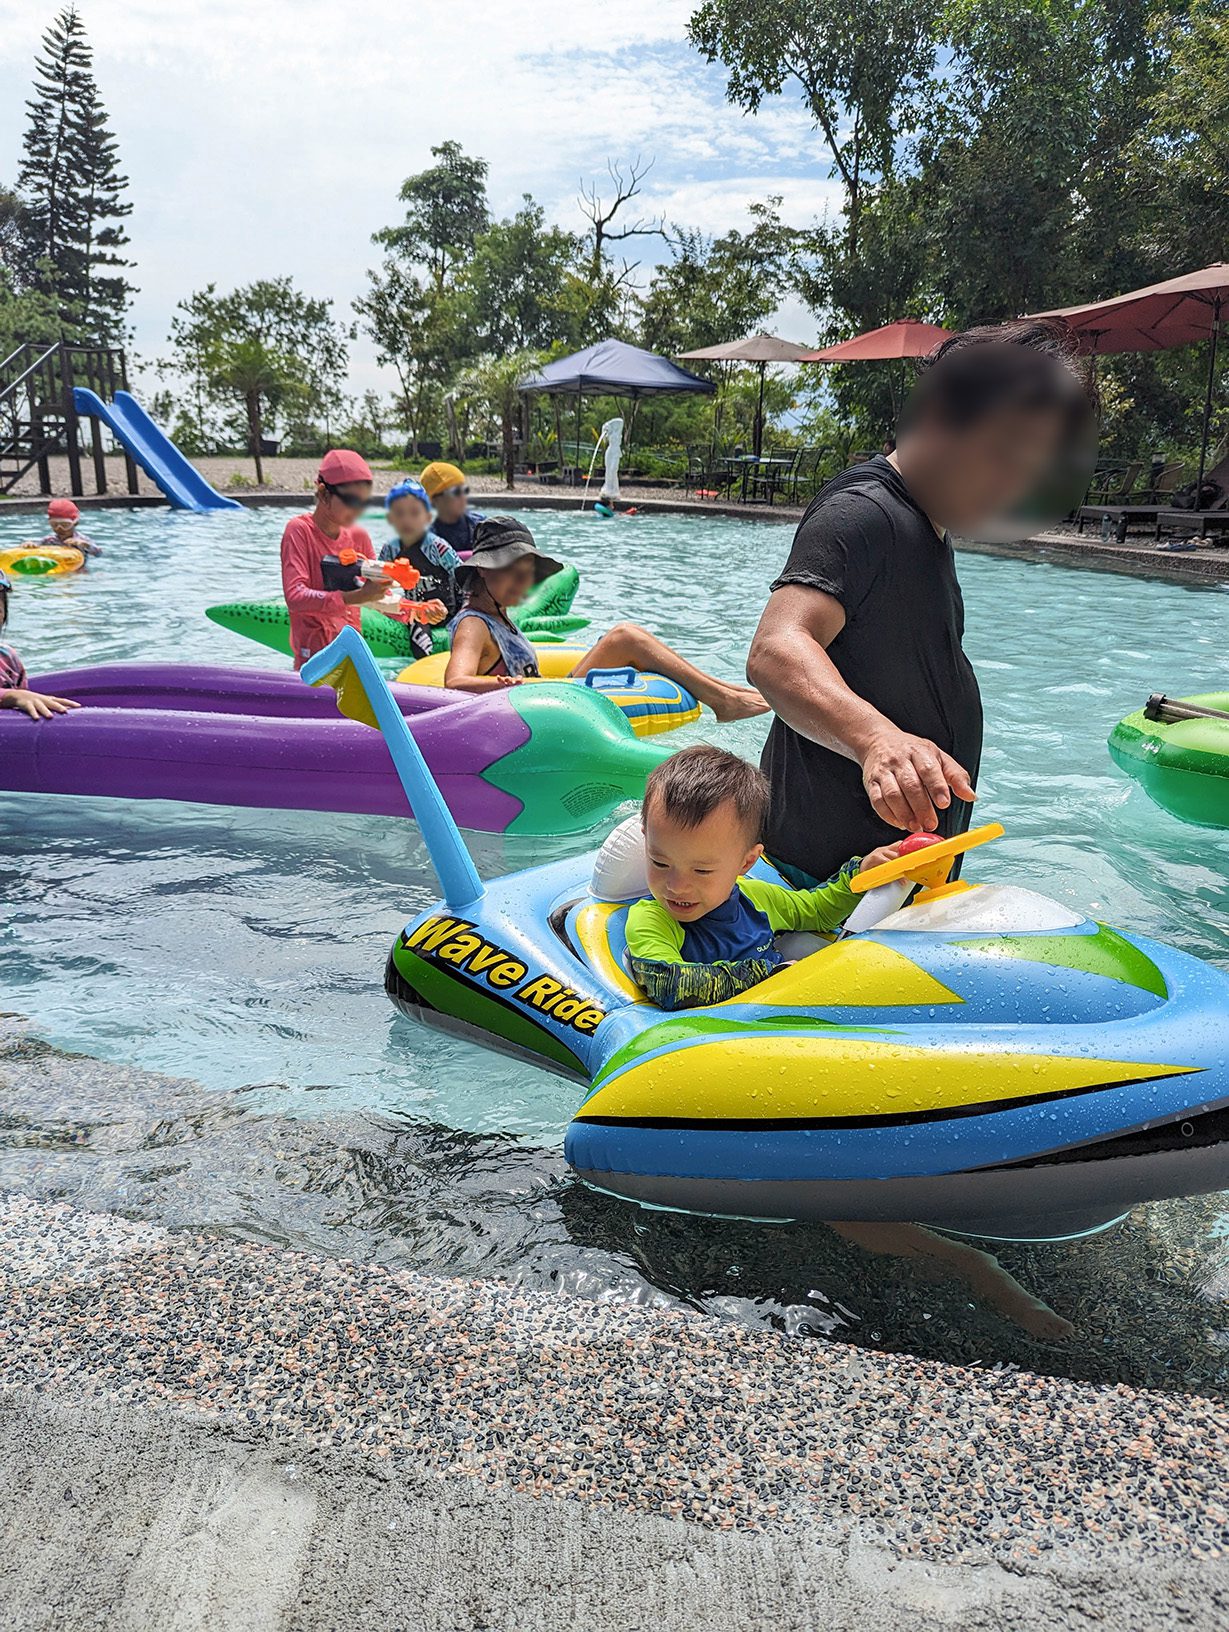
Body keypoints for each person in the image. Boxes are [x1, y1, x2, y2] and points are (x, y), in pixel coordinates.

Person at [748, 319, 1097, 886]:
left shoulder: (924, 523)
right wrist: (876, 739)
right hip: (820, 887)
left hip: (886, 880)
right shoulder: (863, 515)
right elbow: (777, 650)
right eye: (1004, 456)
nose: (1014, 487)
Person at [625, 745, 900, 1011]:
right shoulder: (652, 920)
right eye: (659, 863)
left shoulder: (757, 900)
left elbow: (817, 911)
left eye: (701, 871)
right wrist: (771, 974)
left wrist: (860, 874)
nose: (676, 886)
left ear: (746, 862)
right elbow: (670, 983)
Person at [443, 516, 768, 723]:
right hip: (537, 708)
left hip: (545, 699)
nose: (522, 585)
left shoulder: (497, 614)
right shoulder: (474, 624)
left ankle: (723, 689)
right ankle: (721, 699)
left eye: (526, 576)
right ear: (483, 570)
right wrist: (508, 684)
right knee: (624, 637)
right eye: (511, 574)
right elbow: (455, 682)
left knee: (625, 638)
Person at [279, 450, 391, 671]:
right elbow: (295, 596)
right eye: (350, 500)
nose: (357, 509)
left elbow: (379, 595)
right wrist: (353, 597)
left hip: (353, 655)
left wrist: (416, 610)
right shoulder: (299, 531)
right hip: (313, 659)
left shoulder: (358, 536)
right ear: (324, 493)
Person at [379, 478, 456, 659]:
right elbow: (377, 585)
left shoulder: (437, 547)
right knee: (415, 616)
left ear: (427, 517)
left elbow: (465, 577)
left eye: (414, 513)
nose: (407, 520)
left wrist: (465, 611)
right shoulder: (390, 549)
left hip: (443, 612)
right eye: (400, 513)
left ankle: (421, 669)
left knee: (417, 621)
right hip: (412, 609)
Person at [0, 569, 81, 719]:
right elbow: (17, 696)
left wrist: (20, 696)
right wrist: (10, 696)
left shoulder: (8, 657)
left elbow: (24, 704)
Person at [420, 461, 485, 553]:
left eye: (465, 490)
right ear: (434, 500)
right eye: (456, 492)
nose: (463, 496)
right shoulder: (425, 535)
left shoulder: (480, 523)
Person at [38, 498, 101, 564]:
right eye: (54, 524)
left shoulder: (82, 540)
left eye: (65, 525)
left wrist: (86, 545)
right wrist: (30, 546)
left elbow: (98, 554)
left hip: (79, 571)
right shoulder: (48, 541)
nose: (59, 528)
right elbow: (35, 550)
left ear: (75, 523)